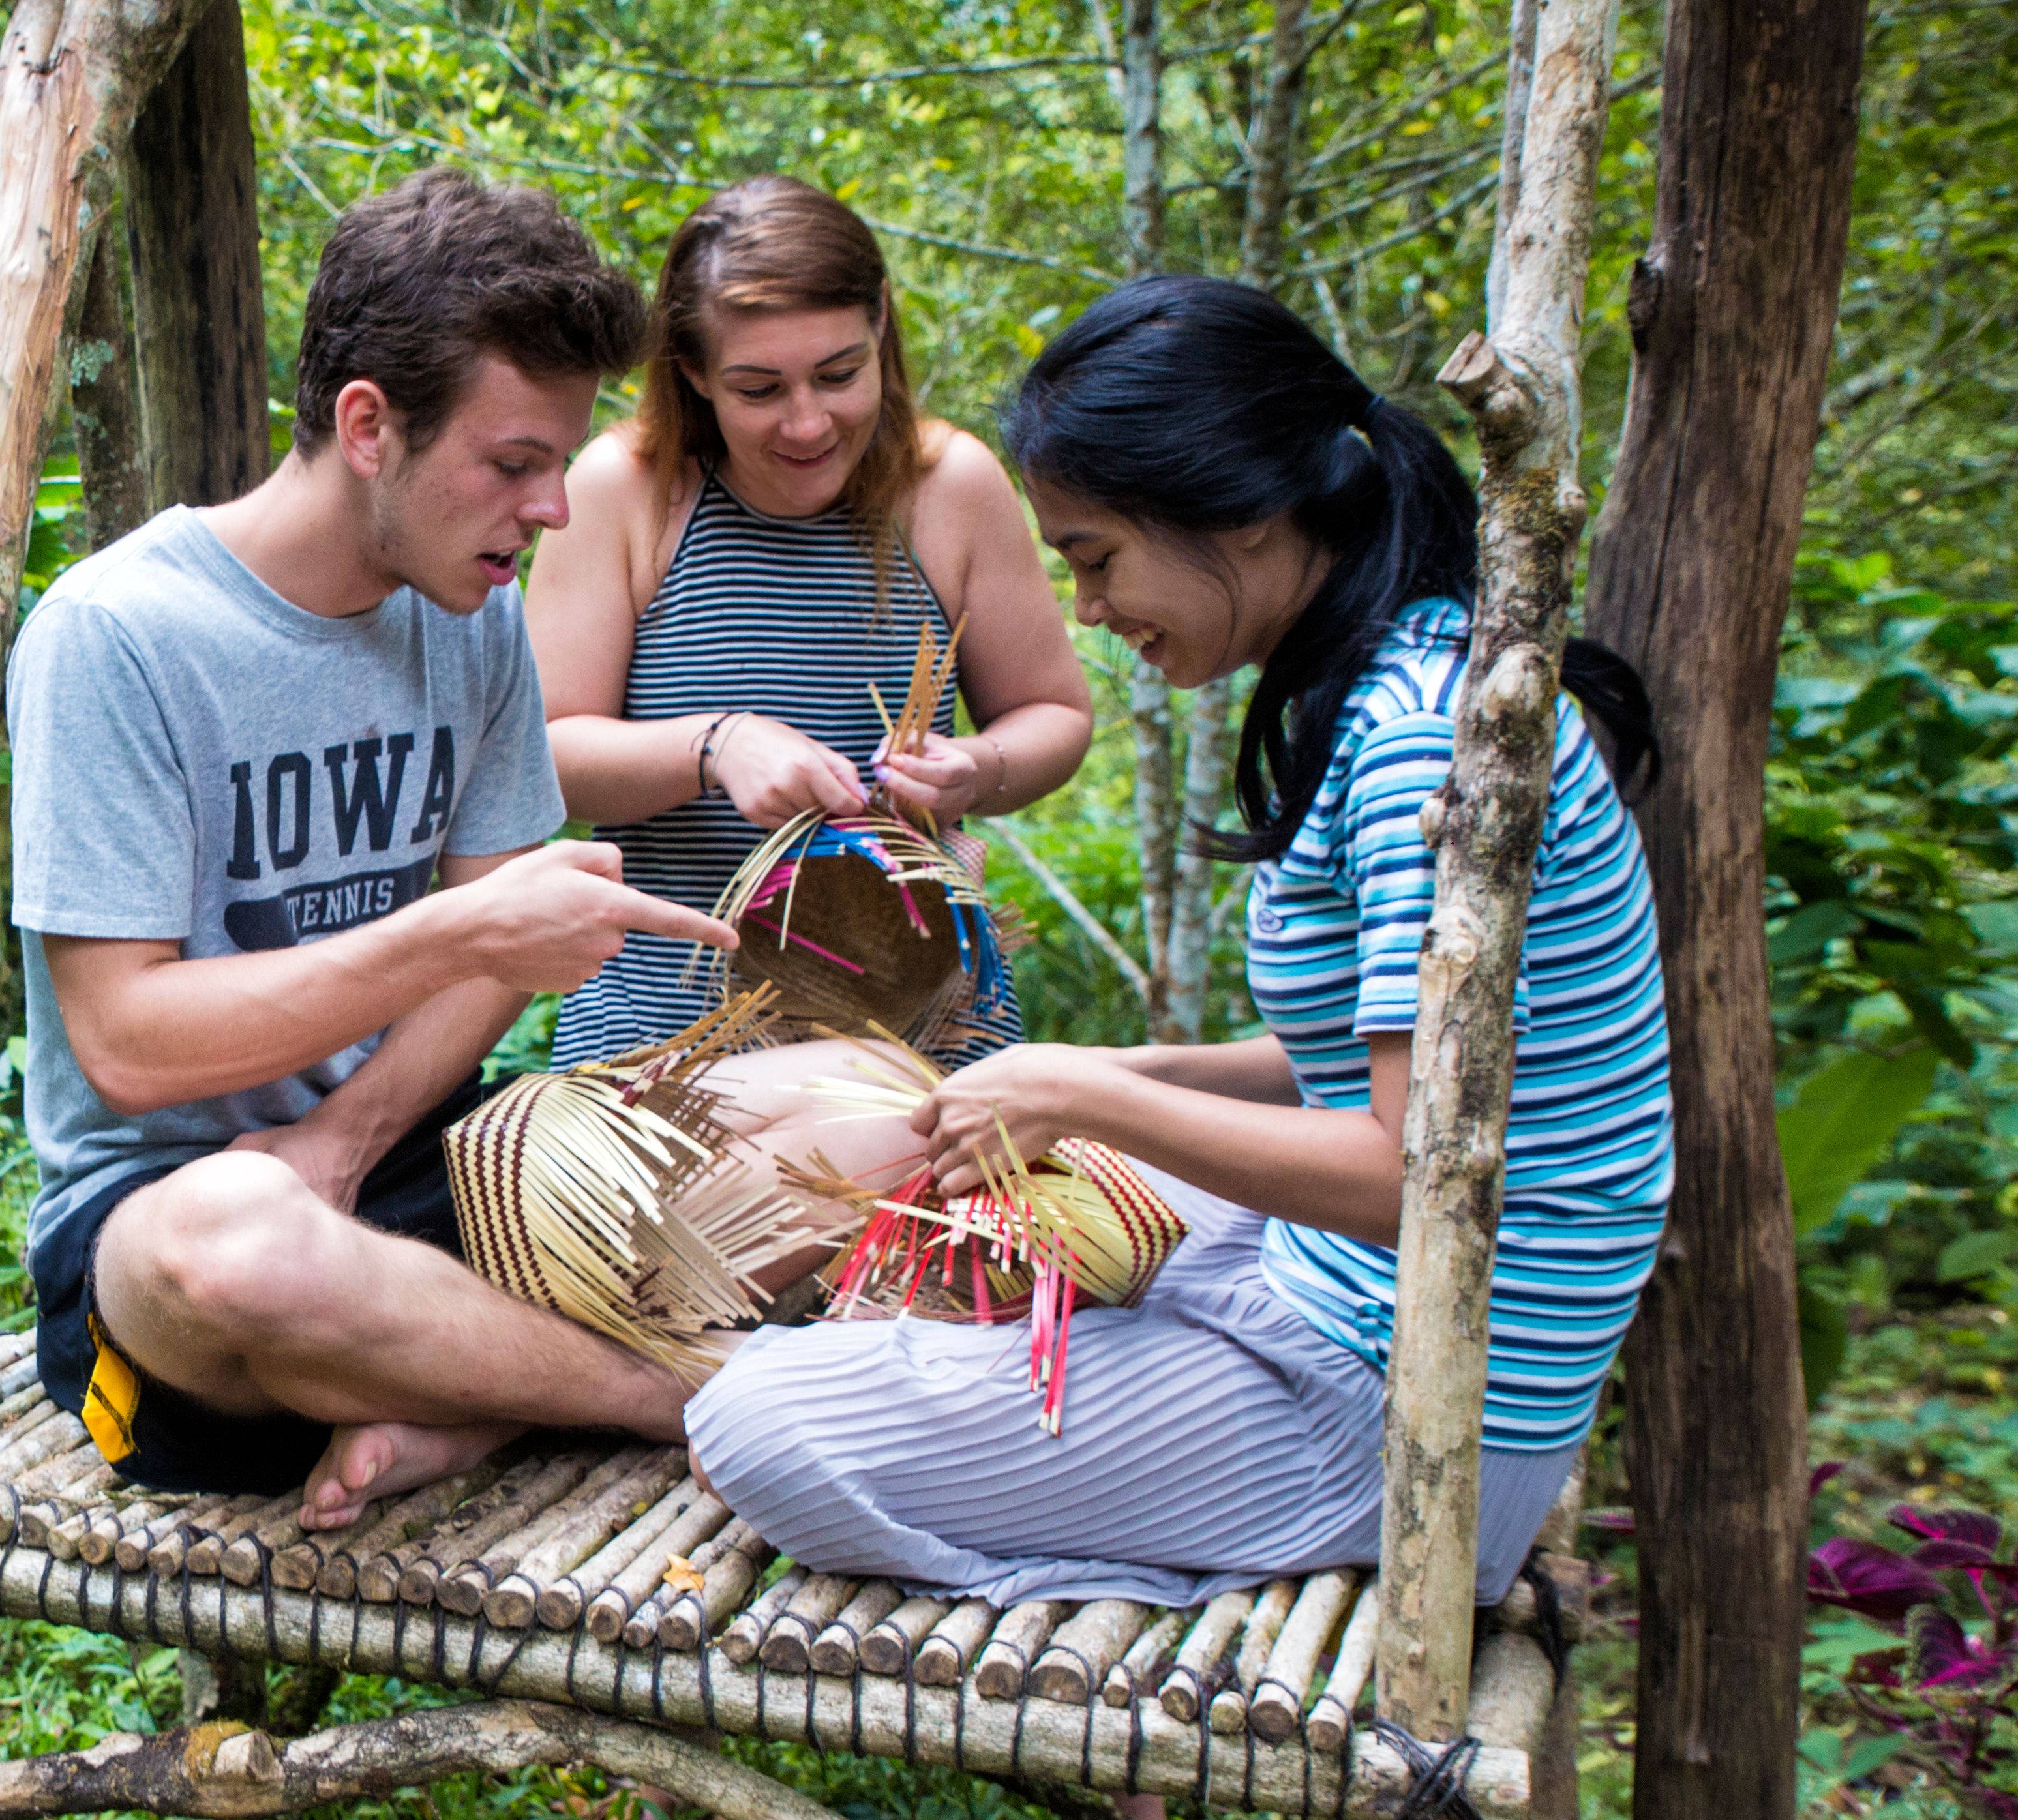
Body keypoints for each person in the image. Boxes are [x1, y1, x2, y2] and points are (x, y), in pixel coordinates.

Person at [681, 276, 1672, 1607]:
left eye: (1097, 557)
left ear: (1245, 517)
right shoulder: (1404, 677)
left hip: (1418, 1412)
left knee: (760, 1421)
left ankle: (1187, 1528)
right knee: (974, 1227)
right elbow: (1358, 1065)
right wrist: (1113, 1078)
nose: (1090, 608)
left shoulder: (1415, 747)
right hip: (1379, 1302)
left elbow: (1406, 1176)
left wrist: (1084, 1093)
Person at [8, 170, 736, 1530]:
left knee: (811, 1116)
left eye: (559, 468)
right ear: (367, 425)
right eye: (514, 465)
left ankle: (460, 1399)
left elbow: (496, 954)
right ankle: (674, 1400)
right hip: (170, 1240)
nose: (552, 511)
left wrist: (353, 1130)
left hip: (398, 1160)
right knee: (241, 1246)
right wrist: (452, 934)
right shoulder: (116, 635)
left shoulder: (472, 615)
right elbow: (125, 1042)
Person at [525, 175, 1094, 1066]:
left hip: (919, 1046)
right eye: (759, 389)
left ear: (881, 330)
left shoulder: (950, 487)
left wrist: (973, 770)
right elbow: (548, 753)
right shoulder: (623, 490)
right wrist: (717, 748)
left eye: (840, 376)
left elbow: (1055, 716)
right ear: (693, 374)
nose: (806, 422)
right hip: (663, 1062)